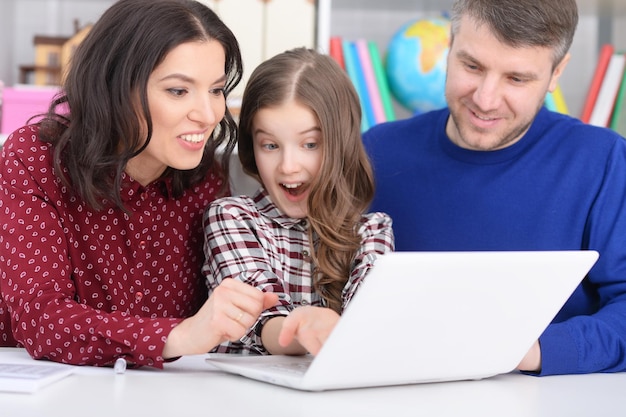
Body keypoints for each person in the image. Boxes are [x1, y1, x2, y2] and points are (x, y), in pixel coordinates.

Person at [0, 0, 278, 367]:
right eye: (179, 91)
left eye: (215, 90)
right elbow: (41, 318)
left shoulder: (204, 176)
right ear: (115, 87)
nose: (209, 114)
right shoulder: (34, 158)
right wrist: (179, 335)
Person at [363, 0, 626, 376]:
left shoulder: (602, 161)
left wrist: (527, 350)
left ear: (556, 73)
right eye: (472, 66)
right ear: (450, 44)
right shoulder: (375, 153)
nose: (485, 100)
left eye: (516, 79)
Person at [202, 47, 394, 356]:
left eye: (309, 144)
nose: (288, 165)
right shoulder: (232, 217)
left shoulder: (371, 232)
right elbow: (257, 319)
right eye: (270, 145)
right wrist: (301, 329)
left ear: (339, 144)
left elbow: (370, 325)